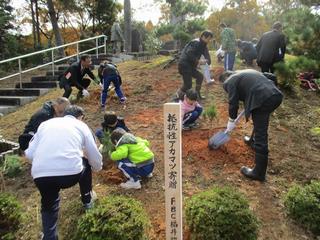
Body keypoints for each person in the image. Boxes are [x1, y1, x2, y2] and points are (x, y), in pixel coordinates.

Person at [25, 105, 102, 240]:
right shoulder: (81, 125)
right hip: (70, 174)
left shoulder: (45, 124)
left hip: (41, 175)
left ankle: (49, 236)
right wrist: (97, 167)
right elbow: (93, 153)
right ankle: (87, 200)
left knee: (49, 204)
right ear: (81, 117)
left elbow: (29, 154)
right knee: (85, 162)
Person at [219, 69, 283, 181]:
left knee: (261, 133)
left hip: (263, 98)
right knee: (259, 121)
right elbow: (270, 76)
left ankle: (259, 173)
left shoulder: (229, 81)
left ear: (225, 79)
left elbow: (233, 102)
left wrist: (231, 120)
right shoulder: (245, 72)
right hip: (275, 95)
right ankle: (251, 141)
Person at [176, 30, 214, 101]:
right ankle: (178, 95)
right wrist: (198, 61)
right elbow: (189, 53)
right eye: (208, 38)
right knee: (188, 84)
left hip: (190, 66)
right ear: (203, 37)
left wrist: (207, 61)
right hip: (184, 64)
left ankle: (197, 94)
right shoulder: (195, 43)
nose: (209, 40)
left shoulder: (204, 45)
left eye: (210, 39)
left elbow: (208, 57)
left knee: (200, 76)